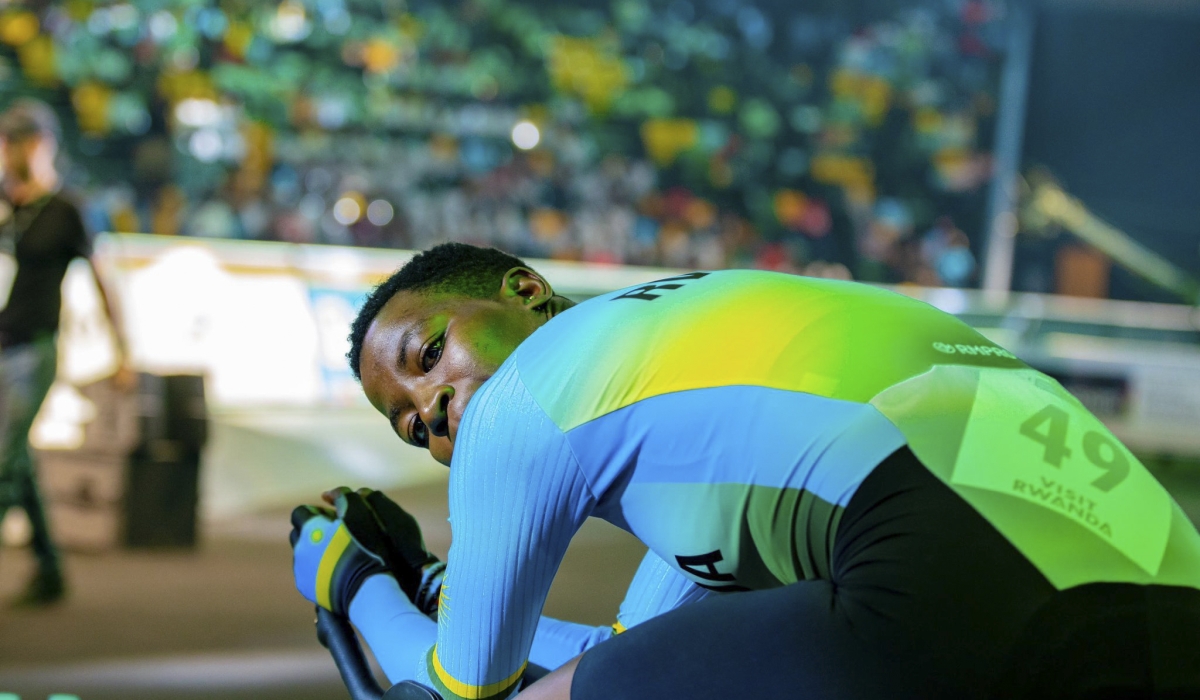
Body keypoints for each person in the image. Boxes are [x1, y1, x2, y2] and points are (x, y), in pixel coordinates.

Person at [292, 242, 1200, 700]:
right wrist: (443, 585)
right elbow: (629, 654)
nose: (431, 411)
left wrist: (356, 579)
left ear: (527, 291)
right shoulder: (692, 395)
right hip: (1168, 594)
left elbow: (461, 690)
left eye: (427, 354)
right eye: (410, 428)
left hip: (933, 592)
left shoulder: (522, 401)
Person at [0, 99, 130, 607]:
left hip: (35, 351)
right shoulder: (9, 207)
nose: (11, 150)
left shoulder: (67, 210)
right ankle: (51, 568)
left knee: (5, 460)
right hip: (4, 348)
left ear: (44, 145)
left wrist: (123, 351)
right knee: (19, 461)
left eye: (20, 141)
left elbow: (103, 282)